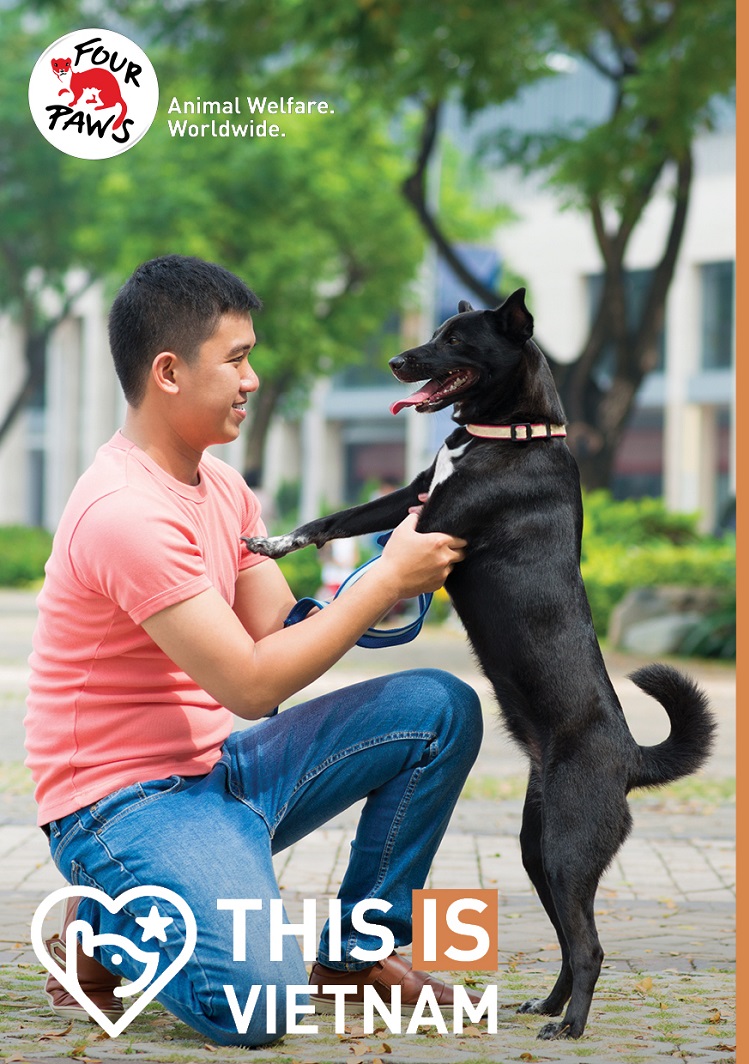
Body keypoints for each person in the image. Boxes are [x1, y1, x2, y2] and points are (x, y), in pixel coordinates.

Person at [23, 256, 477, 1045]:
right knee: (256, 1009)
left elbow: (278, 629)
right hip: (120, 806)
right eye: (236, 358)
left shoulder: (224, 489)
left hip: (221, 772)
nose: (254, 378)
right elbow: (251, 685)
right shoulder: (124, 512)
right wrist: (378, 581)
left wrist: (398, 566)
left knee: (440, 709)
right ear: (168, 372)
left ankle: (353, 955)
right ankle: (103, 924)